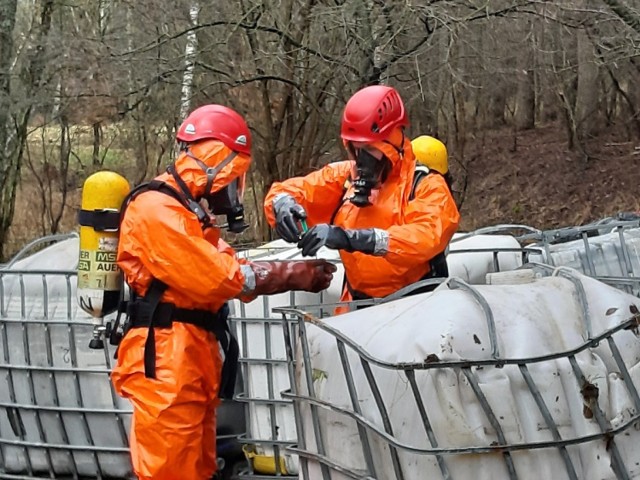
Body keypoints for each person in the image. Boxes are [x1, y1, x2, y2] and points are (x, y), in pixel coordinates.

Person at [111, 104, 336, 480]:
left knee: (196, 469)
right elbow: (219, 276)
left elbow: (228, 266)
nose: (235, 188)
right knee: (170, 471)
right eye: (235, 175)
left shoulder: (187, 213)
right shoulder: (156, 209)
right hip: (167, 360)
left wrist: (287, 272)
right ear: (216, 162)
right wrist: (291, 274)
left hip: (190, 357)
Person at [263, 85, 460, 307]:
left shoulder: (425, 185)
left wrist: (351, 238)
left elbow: (424, 238)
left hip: (417, 306)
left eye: (369, 149)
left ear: (392, 143)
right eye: (355, 149)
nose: (362, 159)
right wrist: (282, 205)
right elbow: (288, 190)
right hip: (358, 305)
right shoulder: (343, 178)